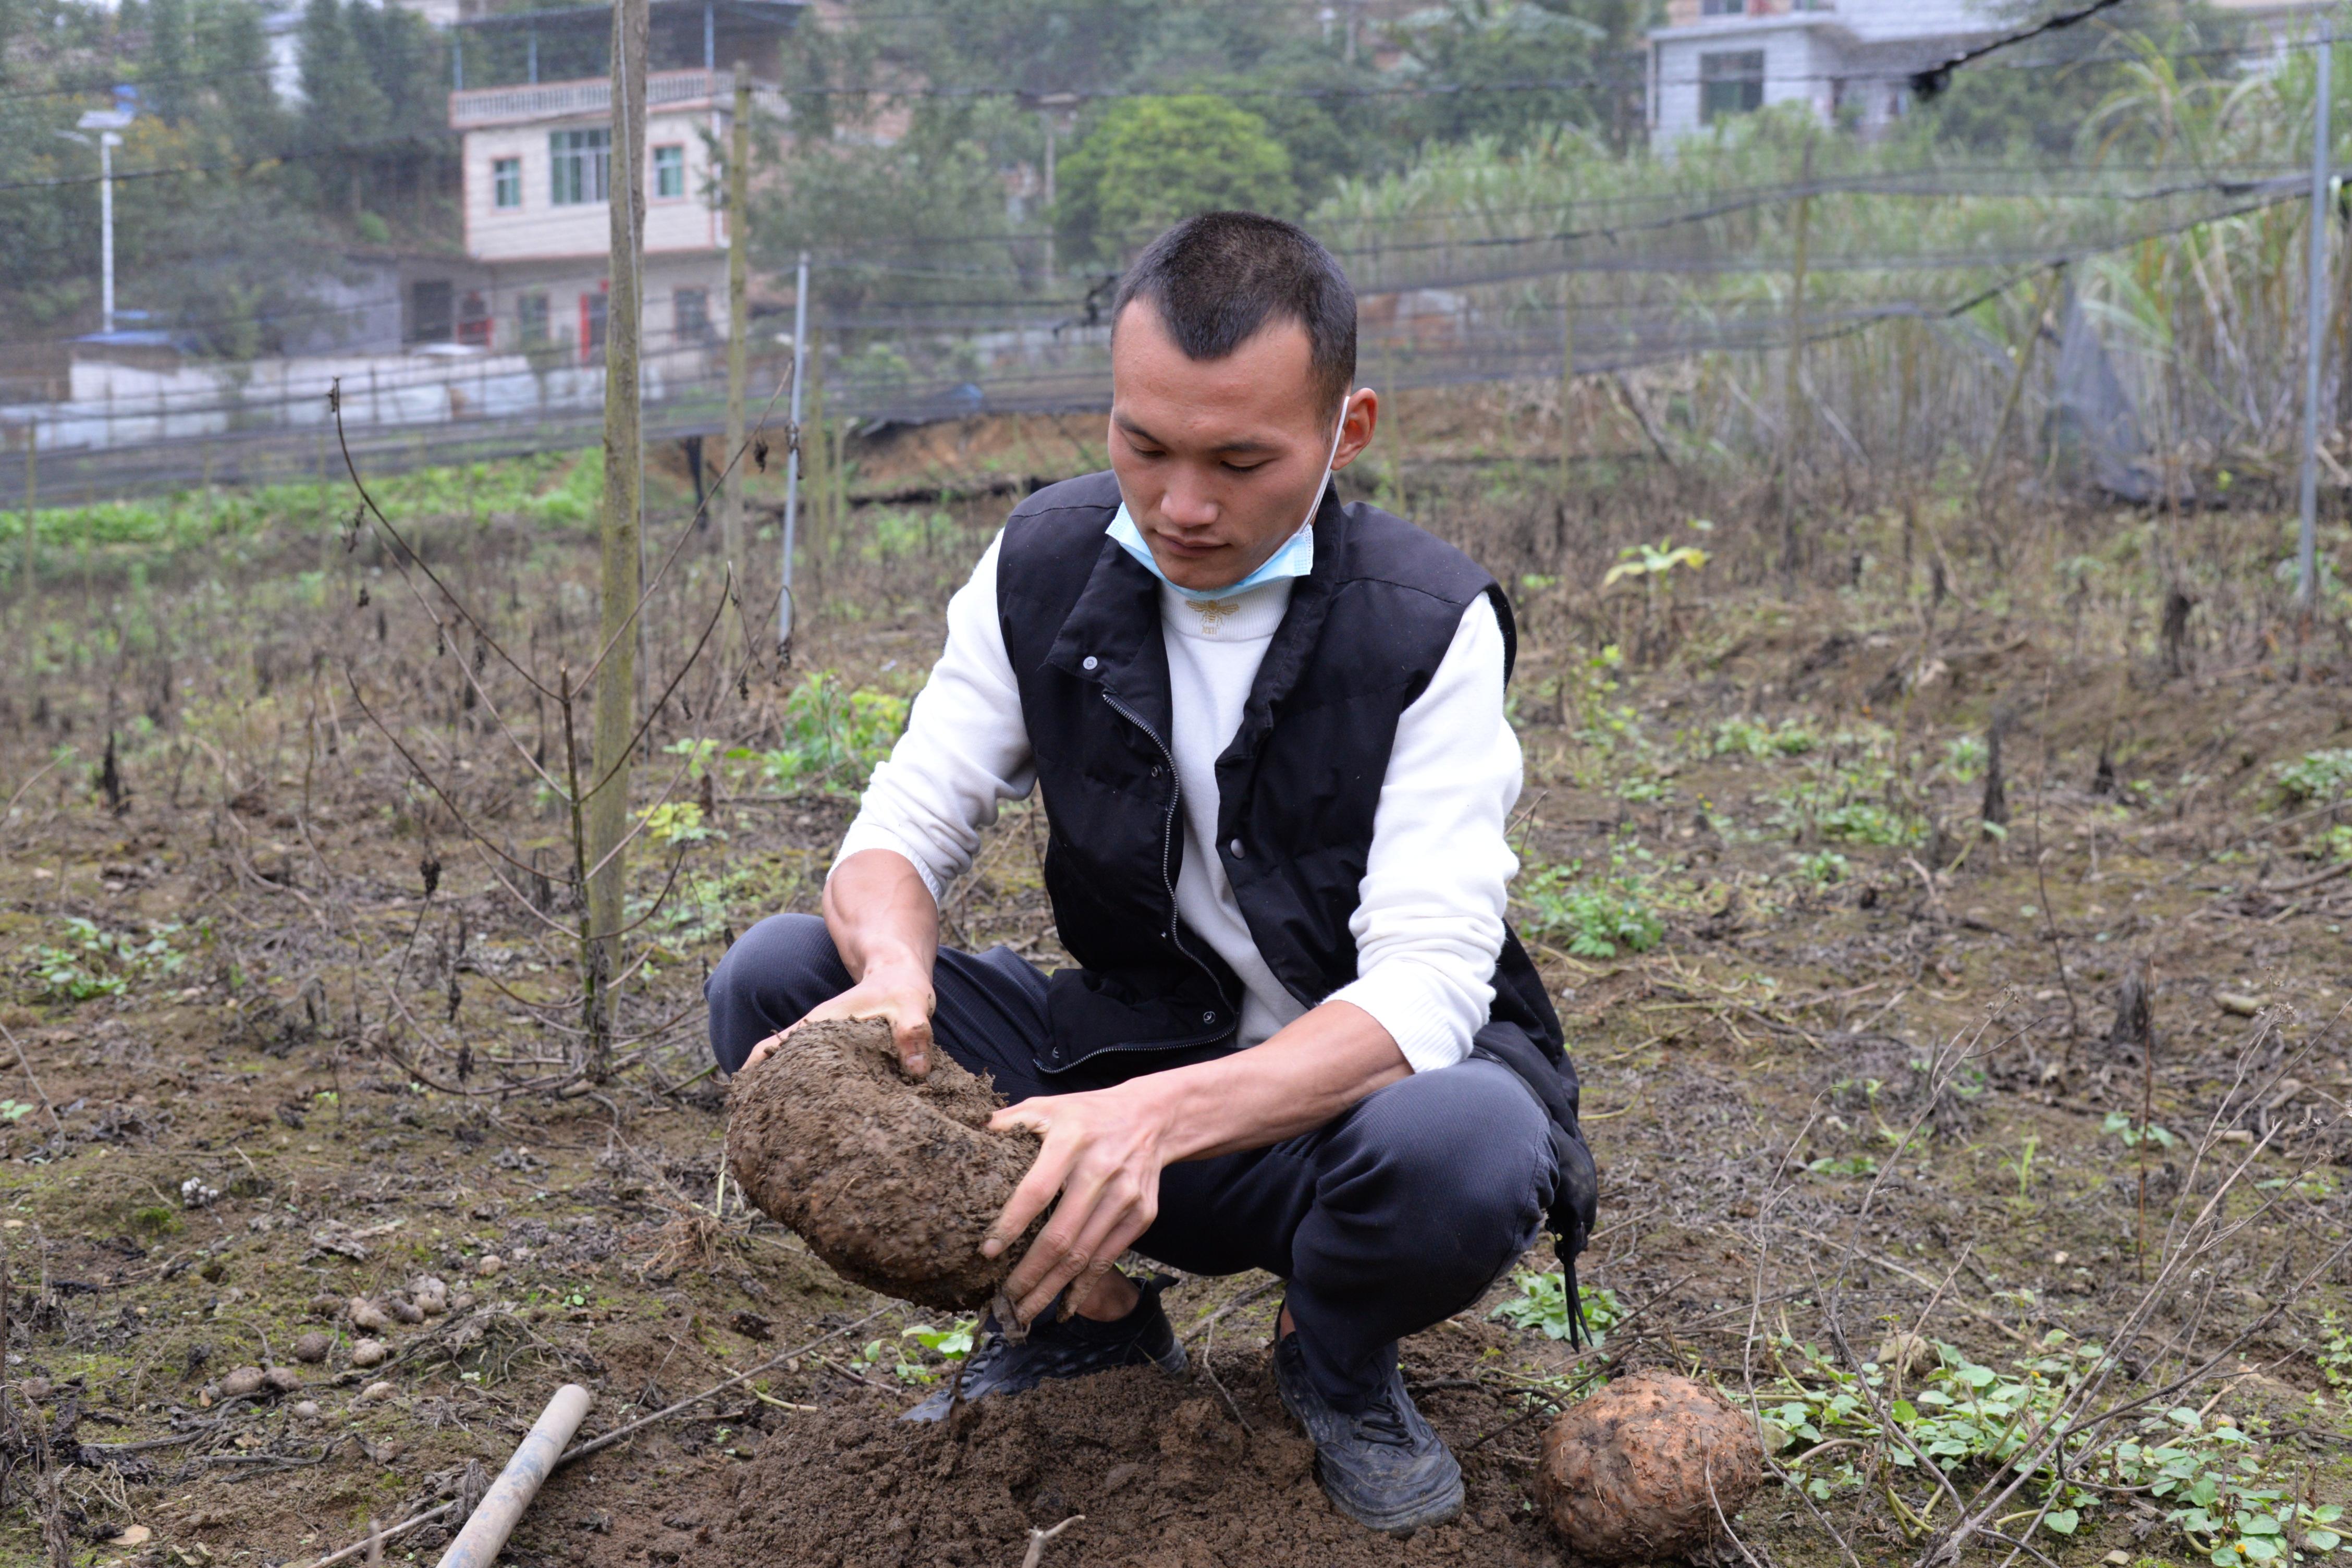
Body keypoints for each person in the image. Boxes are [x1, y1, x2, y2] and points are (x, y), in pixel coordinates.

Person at [706, 211, 1596, 1536]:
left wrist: (1155, 1123)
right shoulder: (1046, 563)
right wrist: (892, 971)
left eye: (1243, 460)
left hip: (1325, 1124)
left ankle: (1334, 1359)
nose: (1184, 505)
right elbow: (905, 822)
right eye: (1145, 446)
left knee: (1469, 1141)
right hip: (1116, 1069)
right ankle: (1082, 1314)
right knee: (785, 986)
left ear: (1346, 431)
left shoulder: (1428, 627)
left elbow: (1425, 991)